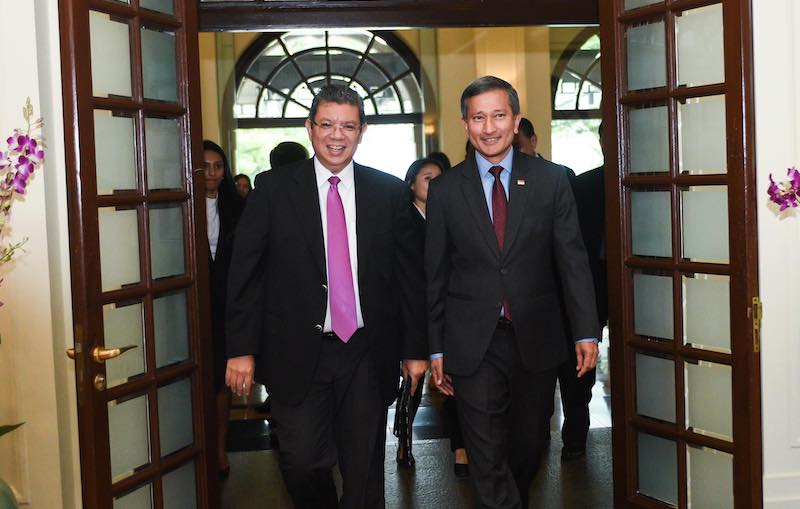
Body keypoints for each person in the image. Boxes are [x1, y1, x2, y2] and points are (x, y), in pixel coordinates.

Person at [225, 84, 429, 509]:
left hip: (364, 351)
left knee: (364, 471)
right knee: (300, 462)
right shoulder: (272, 190)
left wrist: (415, 350)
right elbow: (246, 275)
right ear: (310, 128)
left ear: (362, 131)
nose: (337, 135)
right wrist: (241, 349)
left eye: (348, 126)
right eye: (327, 124)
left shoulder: (388, 193)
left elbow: (409, 281)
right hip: (296, 350)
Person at [425, 76, 599, 509]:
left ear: (516, 121)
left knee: (527, 446)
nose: (489, 127)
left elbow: (572, 260)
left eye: (498, 116)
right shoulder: (446, 190)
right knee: (484, 456)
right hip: (472, 343)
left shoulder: (552, 180)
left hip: (537, 338)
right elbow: (435, 274)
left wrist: (586, 331)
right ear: (465, 123)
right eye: (478, 117)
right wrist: (435, 347)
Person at [559, 122, 608, 460]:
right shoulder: (585, 184)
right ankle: (575, 436)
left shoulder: (657, 180)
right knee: (581, 362)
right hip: (591, 282)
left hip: (647, 282)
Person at [394, 157, 445, 469]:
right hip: (411, 309)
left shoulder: (450, 214)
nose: (435, 184)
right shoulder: (401, 219)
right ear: (412, 184)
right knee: (413, 379)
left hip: (446, 308)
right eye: (428, 178)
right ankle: (404, 438)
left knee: (451, 379)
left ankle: (462, 446)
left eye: (441, 178)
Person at [202, 140, 245, 479]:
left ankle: (219, 447)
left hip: (227, 303)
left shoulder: (237, 208)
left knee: (221, 381)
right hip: (192, 304)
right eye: (205, 166)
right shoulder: (177, 204)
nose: (212, 173)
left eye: (218, 166)